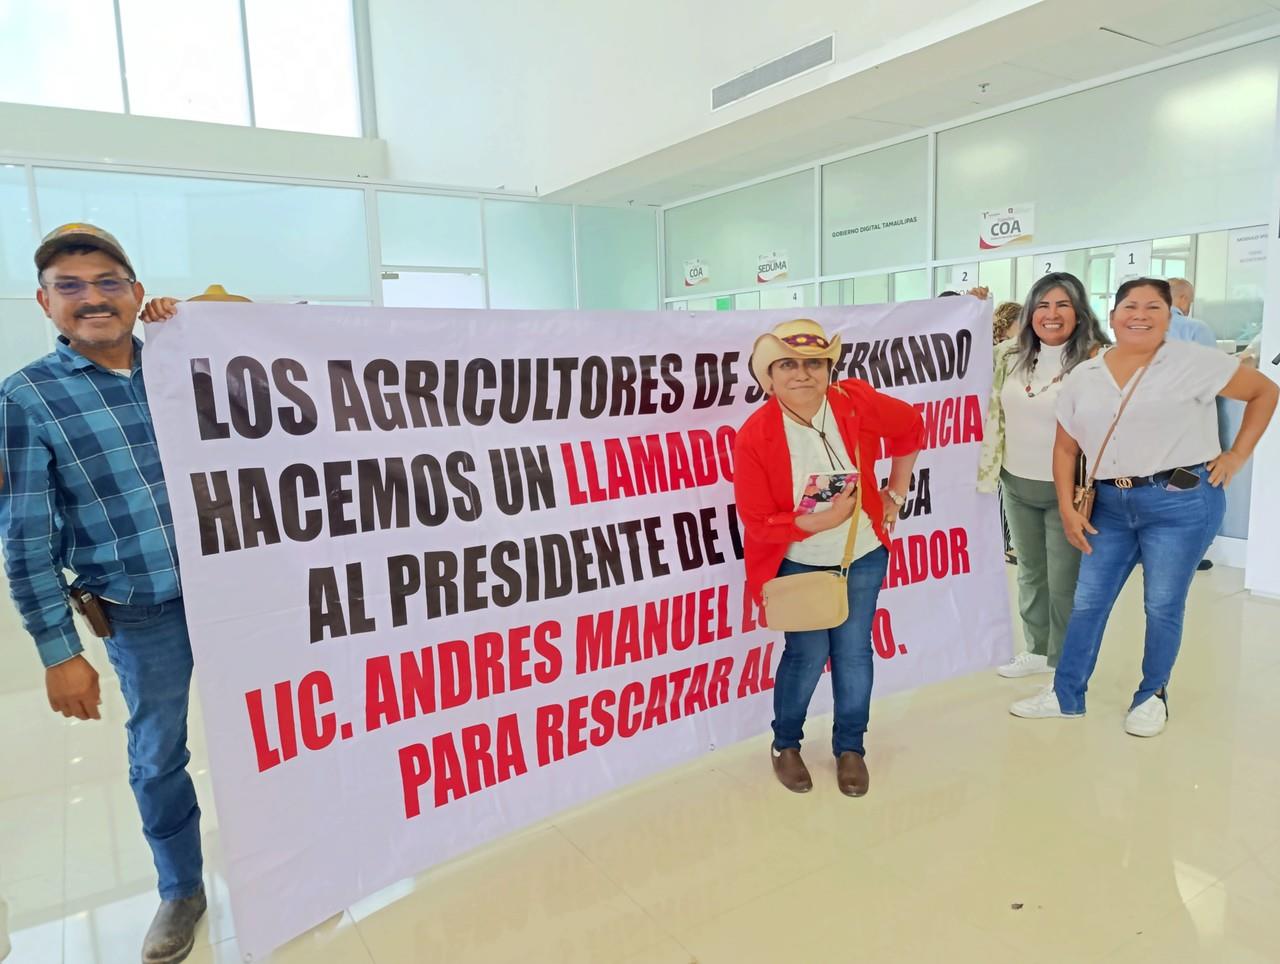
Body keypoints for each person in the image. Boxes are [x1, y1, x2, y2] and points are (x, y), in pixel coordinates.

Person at [0, 224, 205, 963]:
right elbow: (24, 534)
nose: (93, 299)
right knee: (158, 754)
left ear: (137, 292)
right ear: (45, 303)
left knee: (276, 730)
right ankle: (180, 889)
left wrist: (206, 320)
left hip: (244, 596)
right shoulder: (27, 398)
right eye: (71, 287)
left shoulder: (185, 365)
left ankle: (288, 859)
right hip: (141, 609)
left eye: (109, 282)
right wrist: (59, 651)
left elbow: (282, 352)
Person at [1010, 278, 1277, 736]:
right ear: (1112, 317)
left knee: (1162, 604)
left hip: (1180, 503)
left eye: (1154, 306)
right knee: (1088, 602)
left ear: (1170, 317)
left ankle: (1152, 694)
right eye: (1129, 306)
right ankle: (1065, 694)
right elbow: (1065, 449)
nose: (1140, 314)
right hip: (1109, 505)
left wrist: (1235, 457)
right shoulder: (1085, 374)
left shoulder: (1192, 362)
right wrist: (1068, 508)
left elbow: (1264, 392)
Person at [733, 319, 923, 796]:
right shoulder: (756, 434)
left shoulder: (852, 401)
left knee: (855, 652)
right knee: (806, 654)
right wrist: (813, 524)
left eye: (814, 363)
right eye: (788, 365)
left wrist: (896, 492)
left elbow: (911, 428)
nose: (803, 374)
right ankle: (786, 744)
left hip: (862, 554)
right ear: (769, 377)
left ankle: (851, 747)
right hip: (798, 562)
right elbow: (757, 521)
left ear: (828, 369)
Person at [979, 273, 1110, 679]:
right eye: (1043, 305)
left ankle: (1062, 660)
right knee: (1031, 572)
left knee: (1063, 581)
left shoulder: (1097, 359)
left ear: (1079, 311)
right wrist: (968, 310)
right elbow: (959, 360)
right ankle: (1036, 649)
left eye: (1062, 305)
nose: (1051, 315)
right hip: (1015, 481)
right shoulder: (1009, 355)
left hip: (1067, 489)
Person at [1166, 278, 1217, 349]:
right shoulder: (1196, 328)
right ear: (1183, 299)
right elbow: (1211, 359)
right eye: (1190, 302)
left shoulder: (1148, 325)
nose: (1189, 308)